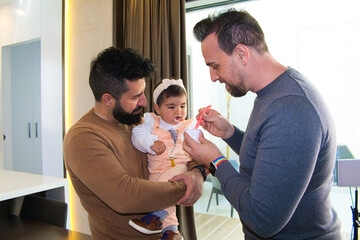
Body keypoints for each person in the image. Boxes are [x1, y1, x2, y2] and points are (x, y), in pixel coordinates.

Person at [183, 9, 341, 239]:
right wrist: (230, 133)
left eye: (214, 65)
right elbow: (272, 160)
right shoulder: (275, 94)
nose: (213, 77)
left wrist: (215, 160)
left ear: (241, 54)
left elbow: (262, 219)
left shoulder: (291, 109)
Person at [63, 47, 205, 240]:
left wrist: (197, 171)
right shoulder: (84, 138)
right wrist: (189, 184)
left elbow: (178, 147)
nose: (144, 101)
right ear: (108, 99)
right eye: (135, 96)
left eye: (143, 93)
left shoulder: (137, 122)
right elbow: (125, 196)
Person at [129, 78, 197, 240]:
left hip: (181, 169)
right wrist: (151, 143)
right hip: (156, 171)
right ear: (158, 108)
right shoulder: (150, 123)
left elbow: (199, 144)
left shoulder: (189, 126)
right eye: (171, 107)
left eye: (183, 106)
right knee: (159, 193)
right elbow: (136, 135)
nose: (178, 111)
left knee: (165, 190)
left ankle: (155, 216)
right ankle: (171, 231)